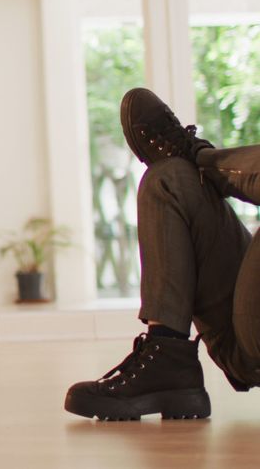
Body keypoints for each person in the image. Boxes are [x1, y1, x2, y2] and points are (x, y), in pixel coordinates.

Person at [65, 87, 260, 421]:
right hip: (245, 335)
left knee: (181, 166)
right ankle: (169, 359)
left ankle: (197, 155)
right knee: (170, 179)